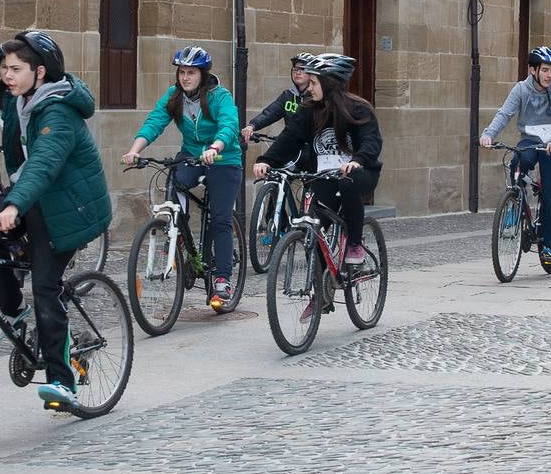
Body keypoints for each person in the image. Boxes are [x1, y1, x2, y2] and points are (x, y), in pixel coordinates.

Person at [0, 30, 111, 410]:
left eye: (15, 68)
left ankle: (62, 381)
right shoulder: (14, 100)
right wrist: (11, 203)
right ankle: (13, 310)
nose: (6, 75)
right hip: (32, 193)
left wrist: (15, 205)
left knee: (45, 285)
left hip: (69, 207)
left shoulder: (58, 111)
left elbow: (43, 164)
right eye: (3, 68)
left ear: (39, 72)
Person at [122, 46, 242, 309]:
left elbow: (229, 125)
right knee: (174, 180)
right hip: (191, 155)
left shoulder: (219, 96)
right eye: (181, 72)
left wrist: (216, 147)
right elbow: (155, 122)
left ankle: (222, 279)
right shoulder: (174, 96)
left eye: (191, 72)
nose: (185, 77)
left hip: (224, 159)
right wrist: (134, 150)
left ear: (202, 74)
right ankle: (179, 235)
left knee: (220, 219)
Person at [254, 53, 382, 291]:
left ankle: (354, 243)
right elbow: (289, 138)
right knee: (315, 225)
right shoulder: (308, 110)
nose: (309, 88)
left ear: (329, 82)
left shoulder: (358, 109)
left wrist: (357, 160)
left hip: (359, 172)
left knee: (348, 182)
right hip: (324, 175)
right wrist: (267, 160)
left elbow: (371, 141)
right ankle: (322, 291)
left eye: (313, 82)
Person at [479, 46, 551, 274]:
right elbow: (505, 113)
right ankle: (516, 202)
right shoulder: (521, 89)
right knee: (516, 163)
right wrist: (489, 134)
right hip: (530, 139)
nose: (550, 75)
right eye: (545, 70)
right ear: (533, 70)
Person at [240, 52, 315, 145]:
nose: (297, 72)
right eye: (295, 69)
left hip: (312, 147)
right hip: (293, 146)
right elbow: (270, 113)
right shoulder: (288, 96)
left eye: (302, 69)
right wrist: (252, 126)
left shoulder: (317, 97)